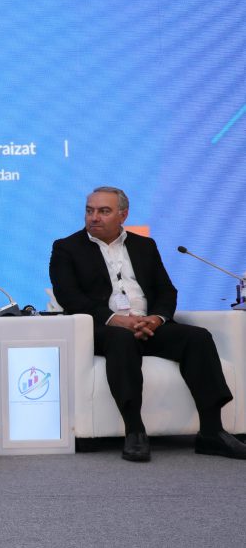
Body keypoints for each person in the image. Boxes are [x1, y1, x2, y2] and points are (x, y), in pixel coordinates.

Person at [49, 186, 246, 462]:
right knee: (122, 339)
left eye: (104, 211)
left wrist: (156, 318)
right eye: (90, 210)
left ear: (123, 215)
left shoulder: (144, 246)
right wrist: (118, 320)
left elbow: (166, 291)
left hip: (148, 325)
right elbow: (69, 297)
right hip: (104, 328)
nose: (94, 217)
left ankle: (212, 432)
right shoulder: (66, 248)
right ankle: (134, 430)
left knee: (198, 338)